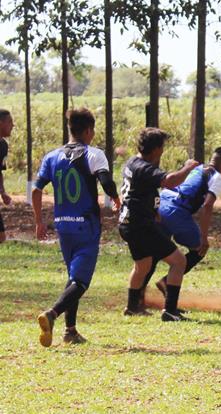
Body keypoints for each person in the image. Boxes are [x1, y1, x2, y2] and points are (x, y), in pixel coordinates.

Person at [33, 108, 121, 346]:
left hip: (63, 226)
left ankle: (70, 331)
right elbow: (106, 181)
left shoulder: (51, 157)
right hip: (86, 226)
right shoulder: (94, 154)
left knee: (74, 277)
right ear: (89, 130)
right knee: (81, 282)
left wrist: (40, 221)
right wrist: (115, 198)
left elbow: (36, 189)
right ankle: (51, 314)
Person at [118, 128, 200, 321]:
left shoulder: (132, 162)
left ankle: (132, 307)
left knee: (143, 264)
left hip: (128, 223)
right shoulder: (145, 168)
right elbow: (169, 181)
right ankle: (170, 311)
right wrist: (188, 167)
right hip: (141, 226)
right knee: (179, 262)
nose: (163, 151)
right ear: (155, 149)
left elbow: (139, 192)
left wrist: (153, 210)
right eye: (162, 147)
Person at [141, 146, 221, 303]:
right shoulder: (217, 178)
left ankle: (138, 296)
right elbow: (207, 206)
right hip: (176, 211)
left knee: (155, 252)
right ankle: (166, 284)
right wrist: (204, 237)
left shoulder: (196, 167)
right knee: (199, 248)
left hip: (162, 204)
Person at [0, 109, 14, 244]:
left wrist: (3, 192)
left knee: (1, 237)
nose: (13, 125)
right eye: (10, 122)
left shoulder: (3, 145)